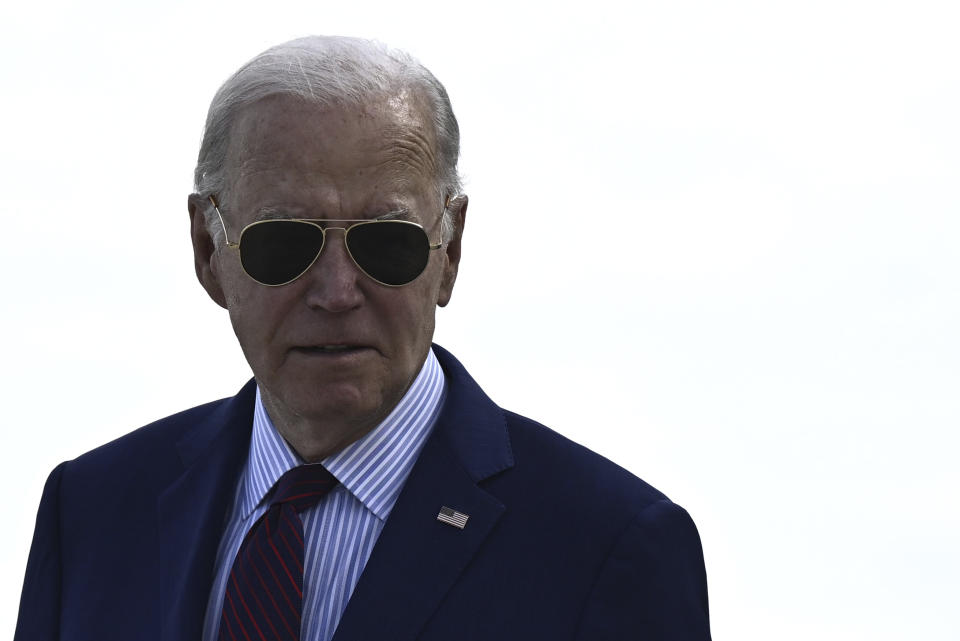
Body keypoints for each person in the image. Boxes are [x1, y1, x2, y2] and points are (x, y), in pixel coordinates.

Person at [15, 36, 711, 641]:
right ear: (207, 249)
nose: (337, 290)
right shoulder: (93, 514)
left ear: (451, 248)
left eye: (388, 242)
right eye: (285, 241)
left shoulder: (608, 546)